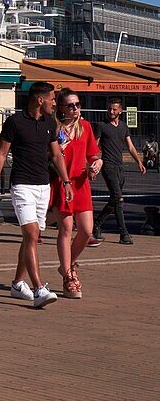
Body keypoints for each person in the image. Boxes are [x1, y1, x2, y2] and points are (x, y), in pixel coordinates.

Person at [0, 82, 73, 309]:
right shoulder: (15, 122)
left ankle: (17, 284)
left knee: (31, 238)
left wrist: (66, 182)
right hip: (22, 185)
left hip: (43, 186)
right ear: (39, 100)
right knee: (32, 233)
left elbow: (56, 155)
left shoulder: (49, 122)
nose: (55, 104)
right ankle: (38, 289)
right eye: (52, 99)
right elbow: (1, 154)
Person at [48, 89, 102, 298]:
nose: (76, 109)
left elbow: (93, 155)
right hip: (62, 182)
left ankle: (67, 264)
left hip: (81, 182)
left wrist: (96, 164)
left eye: (78, 104)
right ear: (61, 108)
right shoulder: (54, 128)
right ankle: (68, 277)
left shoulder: (85, 127)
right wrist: (57, 149)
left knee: (87, 230)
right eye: (71, 105)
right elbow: (47, 155)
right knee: (66, 228)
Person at [93, 99, 146, 245]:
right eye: (109, 109)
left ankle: (96, 225)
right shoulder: (101, 125)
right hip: (108, 166)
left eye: (114, 109)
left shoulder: (123, 126)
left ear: (120, 111)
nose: (111, 112)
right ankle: (124, 233)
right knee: (118, 199)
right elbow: (94, 146)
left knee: (113, 201)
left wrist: (139, 162)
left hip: (119, 167)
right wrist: (94, 164)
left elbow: (130, 146)